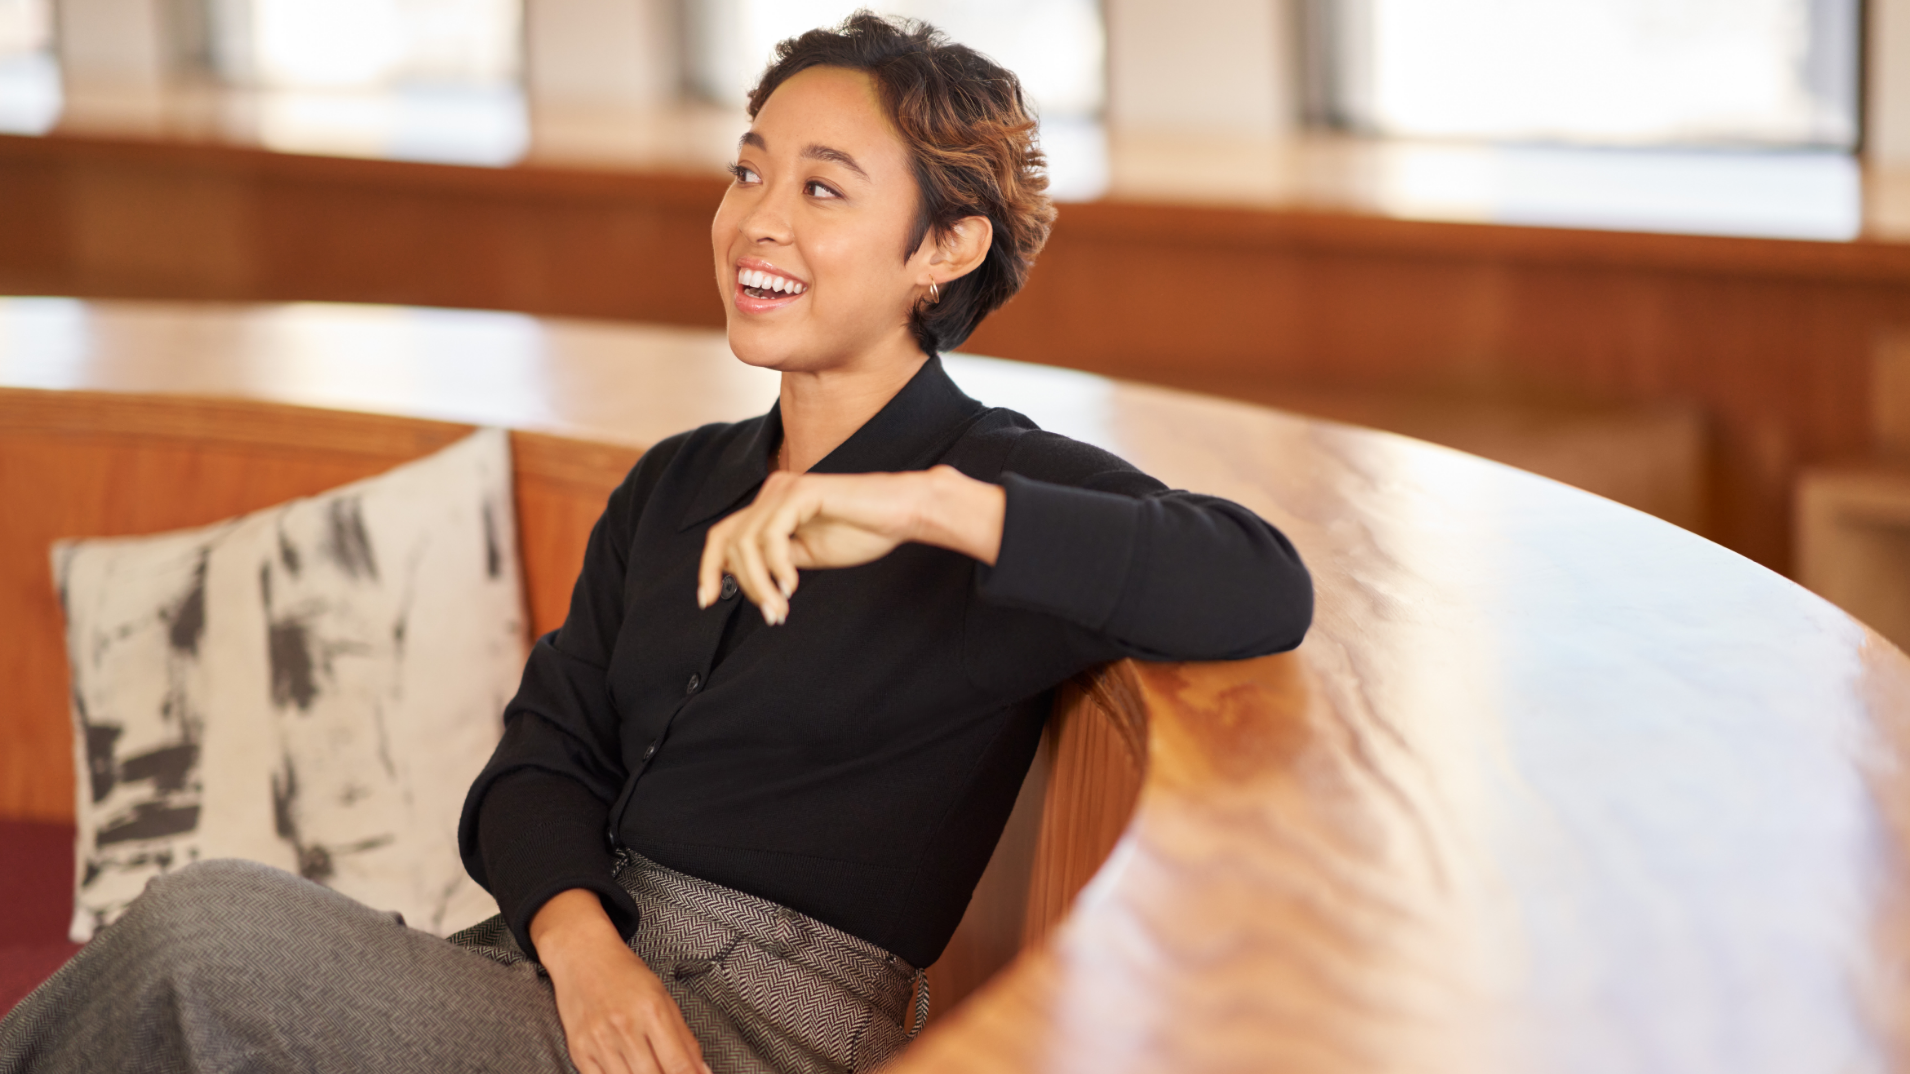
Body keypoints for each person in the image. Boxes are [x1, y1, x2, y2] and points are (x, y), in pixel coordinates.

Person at [0, 12, 1311, 1074]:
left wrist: (922, 505)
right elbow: (538, 760)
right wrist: (580, 943)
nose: (758, 222)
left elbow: (1259, 579)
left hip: (751, 1031)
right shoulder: (677, 482)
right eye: (748, 169)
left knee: (203, 935)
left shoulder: (993, 482)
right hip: (568, 964)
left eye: (821, 188)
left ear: (945, 246)